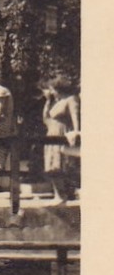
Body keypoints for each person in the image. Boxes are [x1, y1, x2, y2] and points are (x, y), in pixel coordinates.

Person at [42, 75, 80, 204]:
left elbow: (75, 117)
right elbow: (46, 119)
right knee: (51, 165)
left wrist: (76, 131)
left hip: (61, 133)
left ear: (59, 88)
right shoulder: (56, 102)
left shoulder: (71, 99)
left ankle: (63, 195)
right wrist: (47, 101)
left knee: (60, 165)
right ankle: (58, 194)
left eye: (52, 89)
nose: (51, 92)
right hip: (51, 132)